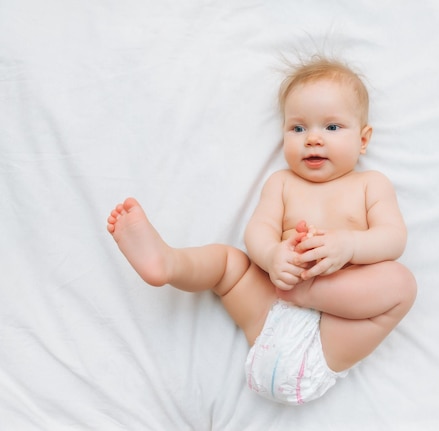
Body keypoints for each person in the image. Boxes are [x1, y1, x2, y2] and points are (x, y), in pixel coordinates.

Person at [106, 56, 417, 405]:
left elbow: (393, 238)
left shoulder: (370, 185)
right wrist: (271, 257)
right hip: (271, 310)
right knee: (228, 263)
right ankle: (168, 263)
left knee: (400, 282)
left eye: (331, 127)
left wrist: (348, 246)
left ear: (363, 139)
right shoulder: (282, 182)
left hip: (330, 334)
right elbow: (258, 231)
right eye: (298, 128)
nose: (313, 139)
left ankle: (310, 290)